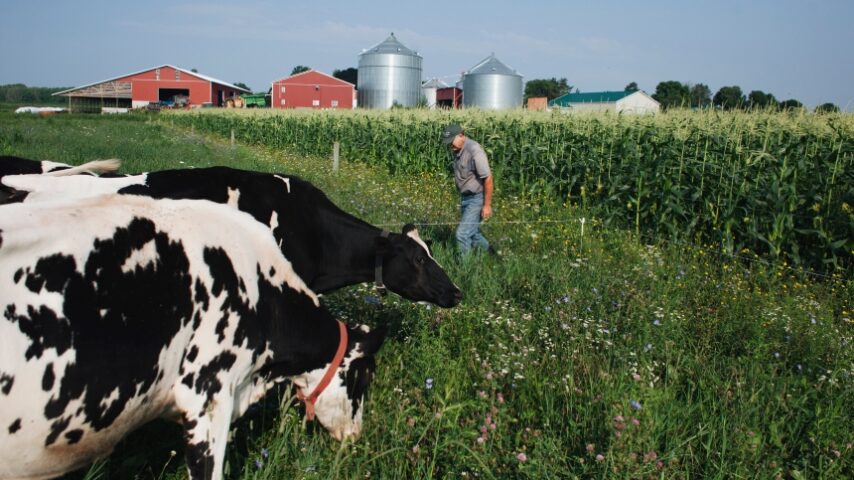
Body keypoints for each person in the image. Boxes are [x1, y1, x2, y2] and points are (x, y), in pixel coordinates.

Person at [442, 123, 496, 256]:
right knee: (473, 233)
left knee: (462, 234)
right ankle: (492, 255)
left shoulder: (474, 151)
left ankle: (464, 270)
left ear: (461, 135)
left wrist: (487, 205)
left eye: (451, 142)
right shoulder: (457, 149)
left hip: (477, 198)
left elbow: (488, 178)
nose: (450, 146)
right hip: (465, 197)